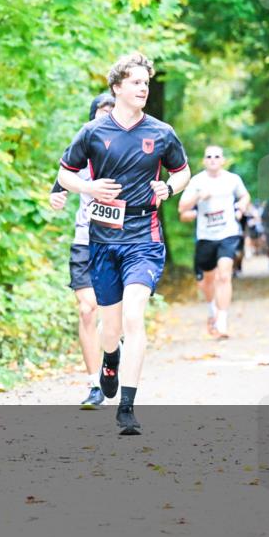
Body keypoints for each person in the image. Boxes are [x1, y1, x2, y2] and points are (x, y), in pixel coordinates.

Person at [56, 52, 190, 435]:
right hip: (102, 240)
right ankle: (109, 357)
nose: (143, 88)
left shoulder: (161, 133)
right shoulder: (93, 132)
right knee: (109, 326)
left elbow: (183, 172)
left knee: (135, 316)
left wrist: (168, 186)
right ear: (117, 88)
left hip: (143, 238)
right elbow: (64, 176)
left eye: (146, 82)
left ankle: (127, 408)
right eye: (135, 82)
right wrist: (89, 186)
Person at [48, 93, 118, 409]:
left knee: (113, 317)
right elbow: (61, 180)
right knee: (87, 309)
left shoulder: (129, 149)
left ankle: (112, 356)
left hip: (119, 242)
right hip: (84, 240)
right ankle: (94, 385)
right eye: (101, 114)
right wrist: (57, 196)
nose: (106, 119)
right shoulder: (81, 146)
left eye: (112, 113)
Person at [177, 145, 250, 338]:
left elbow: (244, 196)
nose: (213, 159)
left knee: (224, 275)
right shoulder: (197, 181)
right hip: (205, 236)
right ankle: (212, 311)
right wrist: (199, 196)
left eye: (217, 156)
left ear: (223, 160)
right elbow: (182, 208)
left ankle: (222, 322)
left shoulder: (232, 180)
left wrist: (241, 206)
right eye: (208, 156)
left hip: (228, 233)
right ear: (204, 161)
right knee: (207, 281)